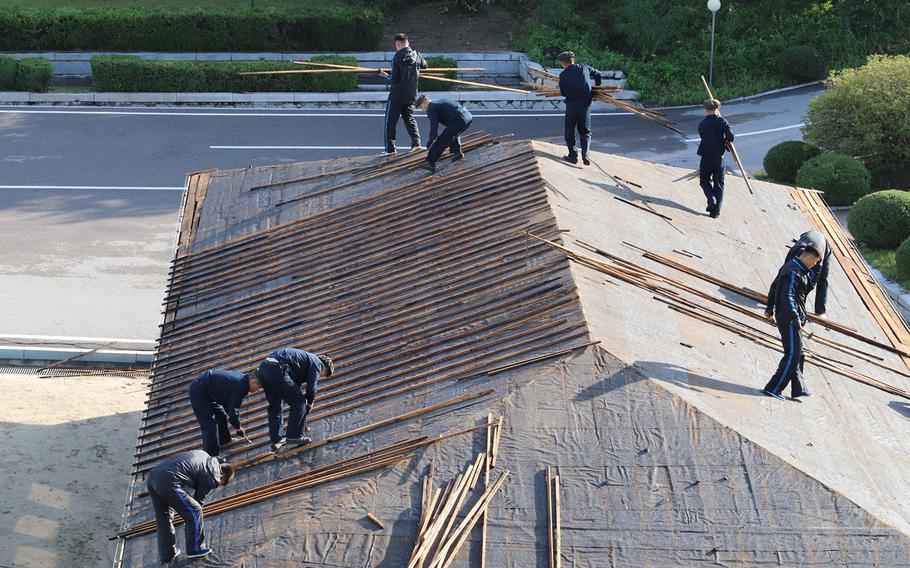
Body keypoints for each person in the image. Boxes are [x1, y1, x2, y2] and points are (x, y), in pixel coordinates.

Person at [146, 449, 234, 565]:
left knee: (164, 518)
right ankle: (195, 549)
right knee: (195, 510)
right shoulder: (213, 475)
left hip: (153, 476)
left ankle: (168, 554)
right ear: (222, 477)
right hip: (168, 481)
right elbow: (198, 502)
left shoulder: (204, 455)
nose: (217, 485)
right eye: (220, 484)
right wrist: (193, 522)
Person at [762, 245, 822, 400]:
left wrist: (769, 308)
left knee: (798, 353)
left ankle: (798, 388)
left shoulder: (794, 268)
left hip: (791, 317)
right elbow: (787, 295)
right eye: (815, 262)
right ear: (808, 258)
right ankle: (773, 388)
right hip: (789, 318)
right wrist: (794, 317)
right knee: (793, 354)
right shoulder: (793, 272)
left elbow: (775, 287)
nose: (814, 265)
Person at [258, 348, 334, 452]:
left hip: (264, 368)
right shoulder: (317, 363)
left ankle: (277, 440)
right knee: (299, 402)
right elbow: (311, 388)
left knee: (275, 406)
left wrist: (302, 421)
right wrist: (310, 402)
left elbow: (294, 387)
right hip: (277, 368)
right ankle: (294, 436)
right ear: (324, 368)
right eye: (324, 374)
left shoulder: (303, 361)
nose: (320, 376)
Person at [188, 368, 262, 458]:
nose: (256, 390)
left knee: (221, 415)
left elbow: (229, 405)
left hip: (209, 391)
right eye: (258, 388)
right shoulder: (241, 387)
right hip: (199, 391)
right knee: (210, 426)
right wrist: (238, 427)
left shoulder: (242, 380)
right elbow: (233, 411)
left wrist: (237, 425)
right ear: (254, 382)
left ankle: (224, 440)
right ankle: (212, 457)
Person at [378, 33, 427, 155]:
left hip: (397, 95)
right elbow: (425, 65)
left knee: (390, 122)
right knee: (409, 118)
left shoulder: (397, 58)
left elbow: (394, 79)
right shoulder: (417, 55)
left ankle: (390, 149)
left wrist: (386, 76)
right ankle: (416, 144)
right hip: (410, 94)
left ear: (397, 44)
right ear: (408, 43)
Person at [556, 51, 604, 166]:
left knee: (569, 131)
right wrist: (598, 87)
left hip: (572, 106)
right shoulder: (585, 68)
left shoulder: (563, 75)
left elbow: (563, 93)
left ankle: (573, 155)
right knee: (585, 131)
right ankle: (585, 155)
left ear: (563, 63)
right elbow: (598, 74)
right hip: (585, 106)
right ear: (573, 60)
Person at [777, 230, 833, 317]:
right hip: (807, 237)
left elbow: (809, 286)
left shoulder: (817, 263)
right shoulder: (793, 253)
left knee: (823, 279)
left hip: (824, 246)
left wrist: (799, 308)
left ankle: (820, 311)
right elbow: (781, 276)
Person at [696, 98, 735, 218]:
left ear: (706, 110)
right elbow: (731, 137)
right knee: (719, 185)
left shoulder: (702, 124)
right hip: (718, 159)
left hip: (705, 158)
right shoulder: (722, 122)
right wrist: (724, 140)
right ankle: (715, 212)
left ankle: (711, 200)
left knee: (704, 181)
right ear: (718, 108)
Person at [415, 94, 473, 172]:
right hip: (468, 117)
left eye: (421, 107)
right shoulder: (438, 103)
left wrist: (431, 139)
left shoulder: (431, 108)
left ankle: (430, 163)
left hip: (459, 119)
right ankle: (457, 153)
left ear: (426, 102)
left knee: (442, 140)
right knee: (452, 133)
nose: (422, 110)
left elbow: (434, 125)